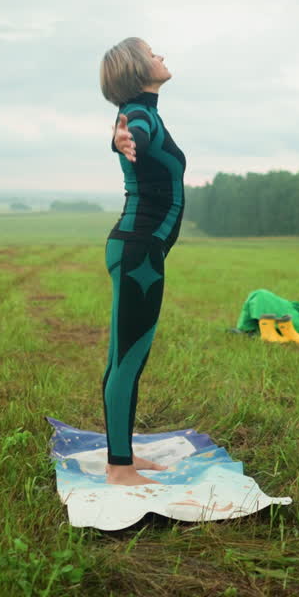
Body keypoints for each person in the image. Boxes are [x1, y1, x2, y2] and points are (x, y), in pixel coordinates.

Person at [98, 37, 187, 486]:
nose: (162, 57)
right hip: (139, 251)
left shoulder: (144, 112)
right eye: (153, 53)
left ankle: (123, 455)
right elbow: (132, 131)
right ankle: (118, 468)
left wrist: (122, 134)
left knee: (125, 356)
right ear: (137, 69)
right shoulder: (137, 116)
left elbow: (133, 126)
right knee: (129, 359)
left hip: (138, 250)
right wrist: (121, 139)